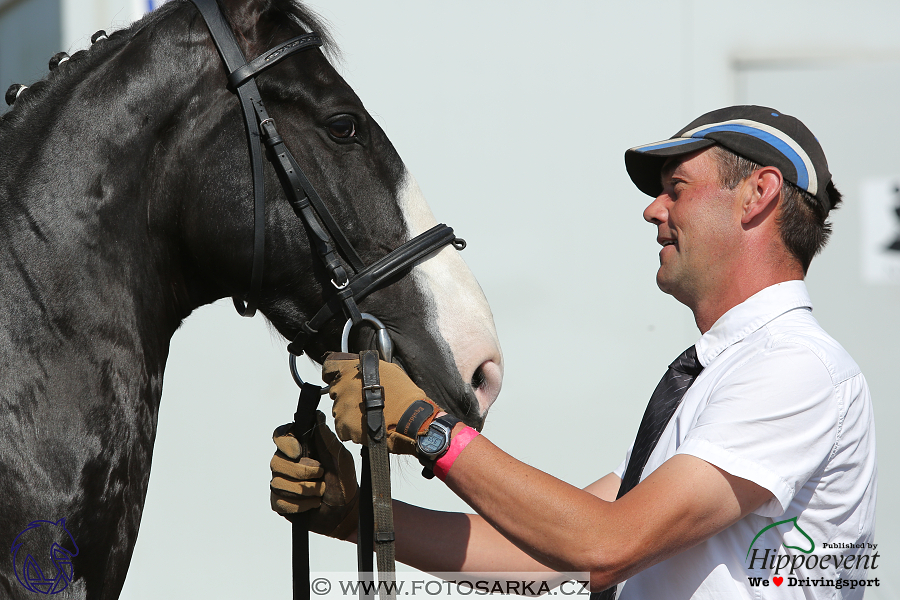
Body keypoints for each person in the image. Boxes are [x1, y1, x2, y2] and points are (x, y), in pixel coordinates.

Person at [269, 105, 877, 599]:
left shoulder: (795, 367)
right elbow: (550, 560)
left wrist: (428, 427)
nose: (652, 209)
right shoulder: (726, 371)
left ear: (758, 194)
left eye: (676, 188)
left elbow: (606, 548)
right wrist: (360, 519)